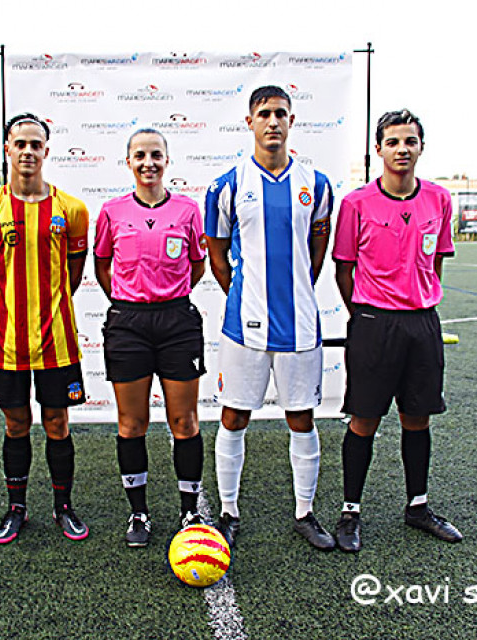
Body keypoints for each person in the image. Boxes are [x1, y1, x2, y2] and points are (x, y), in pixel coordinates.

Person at [204, 86, 335, 551]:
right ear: (250, 122)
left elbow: (316, 254)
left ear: (291, 120)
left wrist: (295, 291)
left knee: (301, 417)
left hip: (300, 324)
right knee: (234, 415)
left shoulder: (316, 184)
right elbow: (217, 256)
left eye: (281, 113)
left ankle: (304, 513)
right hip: (245, 324)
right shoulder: (227, 185)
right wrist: (246, 296)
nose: (273, 121)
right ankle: (228, 512)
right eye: (264, 114)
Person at [331, 108, 463, 553]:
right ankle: (350, 512)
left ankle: (418, 507)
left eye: (410, 141)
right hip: (374, 322)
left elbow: (437, 260)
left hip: (422, 323)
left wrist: (418, 298)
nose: (402, 149)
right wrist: (365, 315)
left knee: (417, 417)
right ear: (378, 149)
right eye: (393, 142)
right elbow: (344, 269)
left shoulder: (439, 199)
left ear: (421, 147)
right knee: (364, 419)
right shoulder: (356, 203)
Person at [0, 113, 90, 544]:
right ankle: (15, 508)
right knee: (16, 425)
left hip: (57, 341)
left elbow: (72, 277)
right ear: (7, 149)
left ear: (46, 151)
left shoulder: (71, 210)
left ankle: (63, 507)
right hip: (6, 342)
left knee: (57, 423)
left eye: (36, 144)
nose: (28, 152)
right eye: (20, 144)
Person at [94, 129, 208, 547]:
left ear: (167, 160)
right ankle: (138, 512)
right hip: (128, 324)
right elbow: (102, 265)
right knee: (132, 423)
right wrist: (129, 300)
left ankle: (189, 510)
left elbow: (197, 265)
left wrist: (168, 295)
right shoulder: (111, 211)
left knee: (184, 421)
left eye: (156, 155)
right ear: (128, 162)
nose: (148, 163)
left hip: (177, 322)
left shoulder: (187, 210)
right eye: (140, 155)